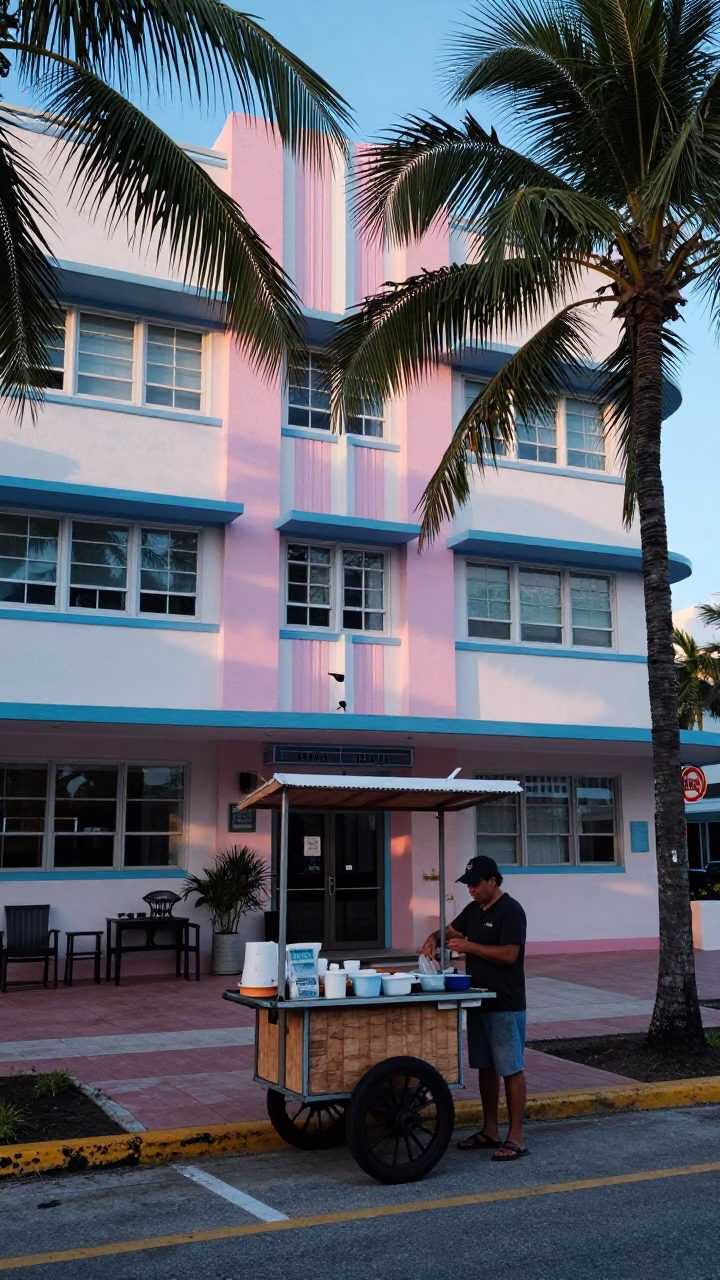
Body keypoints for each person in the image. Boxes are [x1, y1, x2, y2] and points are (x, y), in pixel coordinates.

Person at [423, 854, 528, 1162]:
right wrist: (433, 939)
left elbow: (510, 954)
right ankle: (490, 1130)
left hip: (504, 1002)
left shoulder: (511, 911)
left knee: (511, 1067)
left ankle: (517, 1136)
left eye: (475, 884)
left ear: (492, 881)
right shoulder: (473, 910)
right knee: (486, 1066)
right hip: (477, 999)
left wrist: (469, 947)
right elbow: (451, 932)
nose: (470, 890)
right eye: (467, 885)